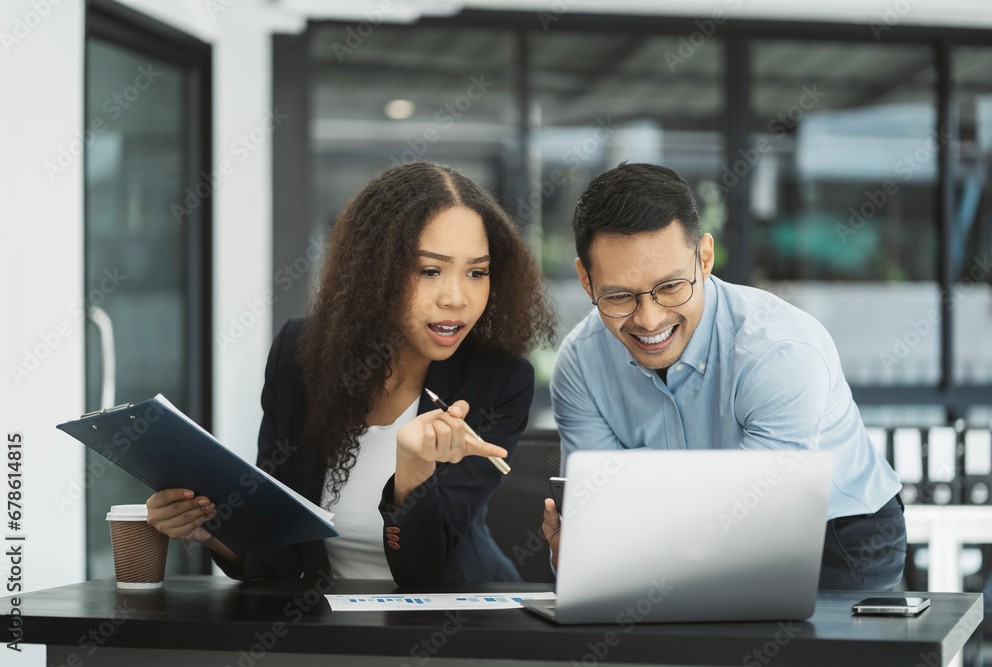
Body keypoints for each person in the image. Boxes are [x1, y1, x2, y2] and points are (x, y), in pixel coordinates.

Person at [148, 161, 555, 585]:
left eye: (477, 272)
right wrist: (209, 531)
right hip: (326, 628)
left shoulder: (499, 381)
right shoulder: (300, 353)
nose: (456, 297)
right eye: (430, 270)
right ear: (375, 271)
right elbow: (277, 553)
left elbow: (423, 566)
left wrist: (414, 470)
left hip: (456, 623)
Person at [542, 162, 905, 590]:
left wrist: (620, 555)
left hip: (838, 530)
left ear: (706, 258)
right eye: (619, 296)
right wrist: (585, 554)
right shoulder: (580, 366)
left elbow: (760, 524)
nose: (649, 319)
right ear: (586, 280)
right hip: (674, 532)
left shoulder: (777, 352)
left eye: (671, 286)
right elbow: (600, 514)